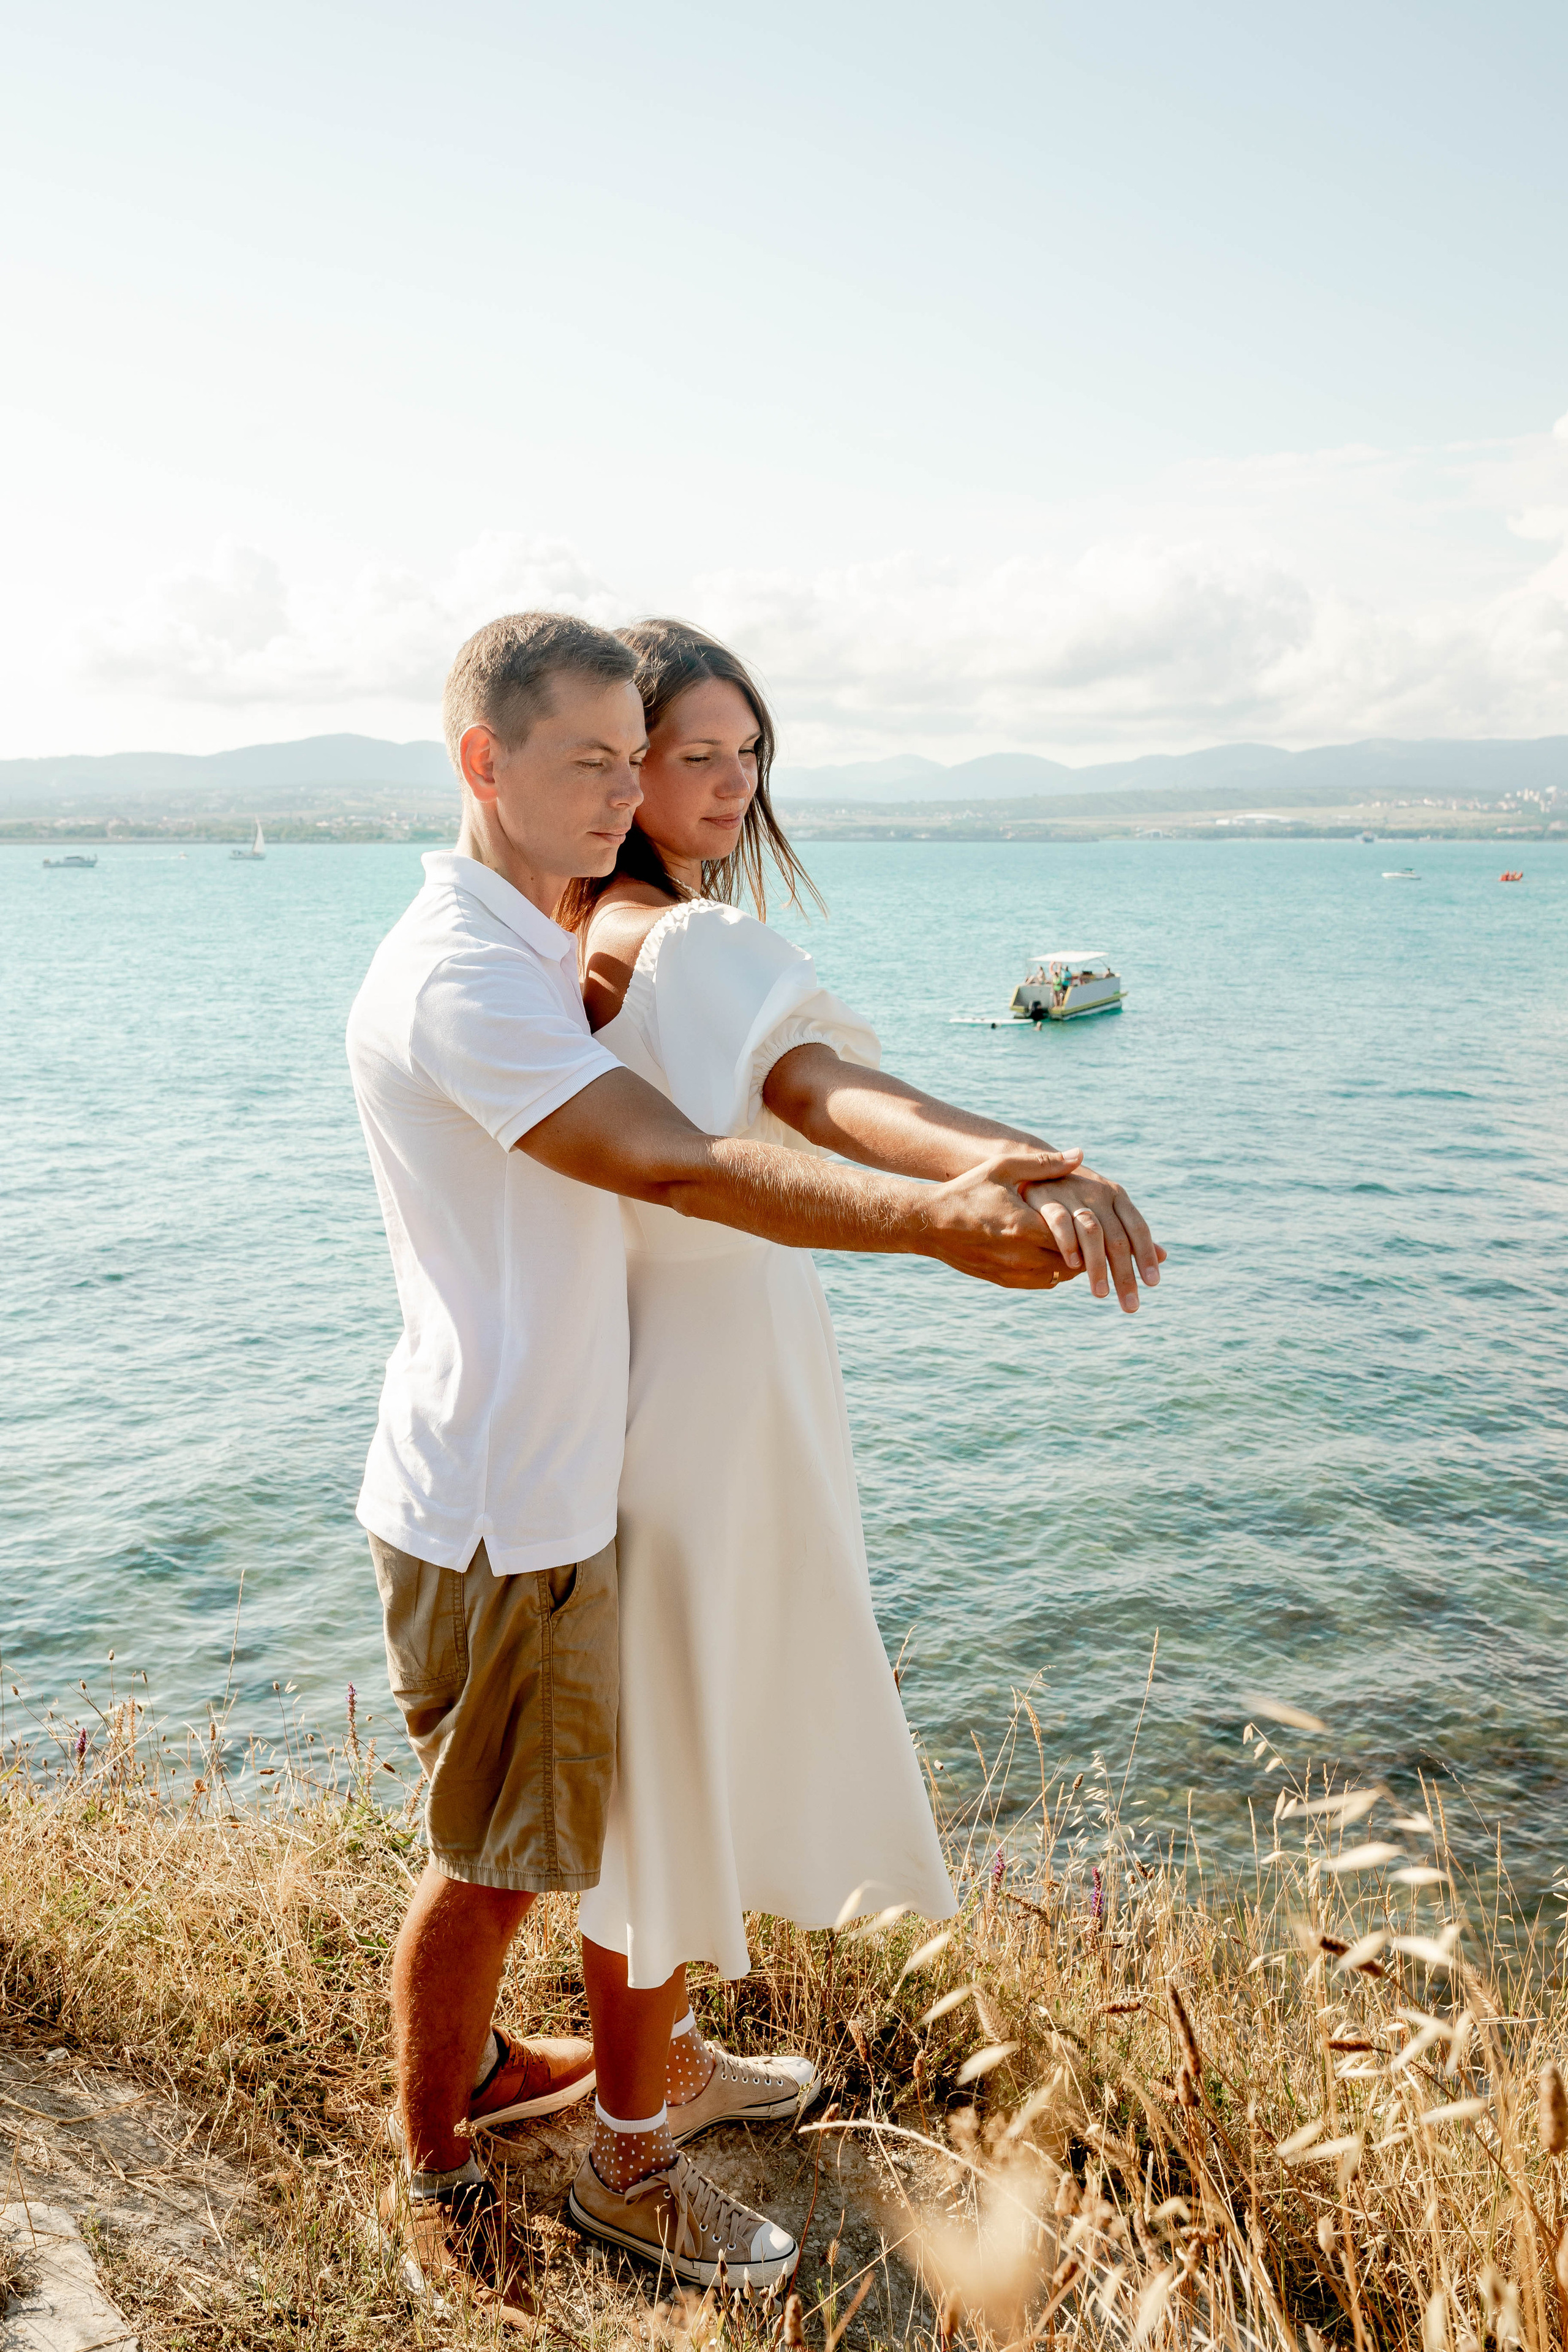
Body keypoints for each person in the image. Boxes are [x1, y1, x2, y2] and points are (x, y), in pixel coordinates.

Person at [346, 611, 1090, 2316]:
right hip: (497, 1490)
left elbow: (754, 1087)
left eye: (654, 758)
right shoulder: (469, 972)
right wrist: (946, 1224)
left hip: (551, 1466)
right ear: (487, 763)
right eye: (604, 761)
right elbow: (683, 1162)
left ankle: (571, 2086)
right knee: (500, 1858)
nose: (644, 796)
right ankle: (452, 2168)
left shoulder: (547, 939)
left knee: (589, 1816)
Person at [563, 617, 1163, 2188]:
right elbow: (830, 1096)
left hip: (649, 1361)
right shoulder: (692, 943)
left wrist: (997, 1155)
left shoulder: (583, 932)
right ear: (620, 769)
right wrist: (1016, 1162)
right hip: (713, 1380)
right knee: (678, 1745)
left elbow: (802, 1089)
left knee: (666, 1731)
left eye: (747, 751)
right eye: (689, 753)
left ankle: (660, 2066)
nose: (727, 780)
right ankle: (632, 2137)